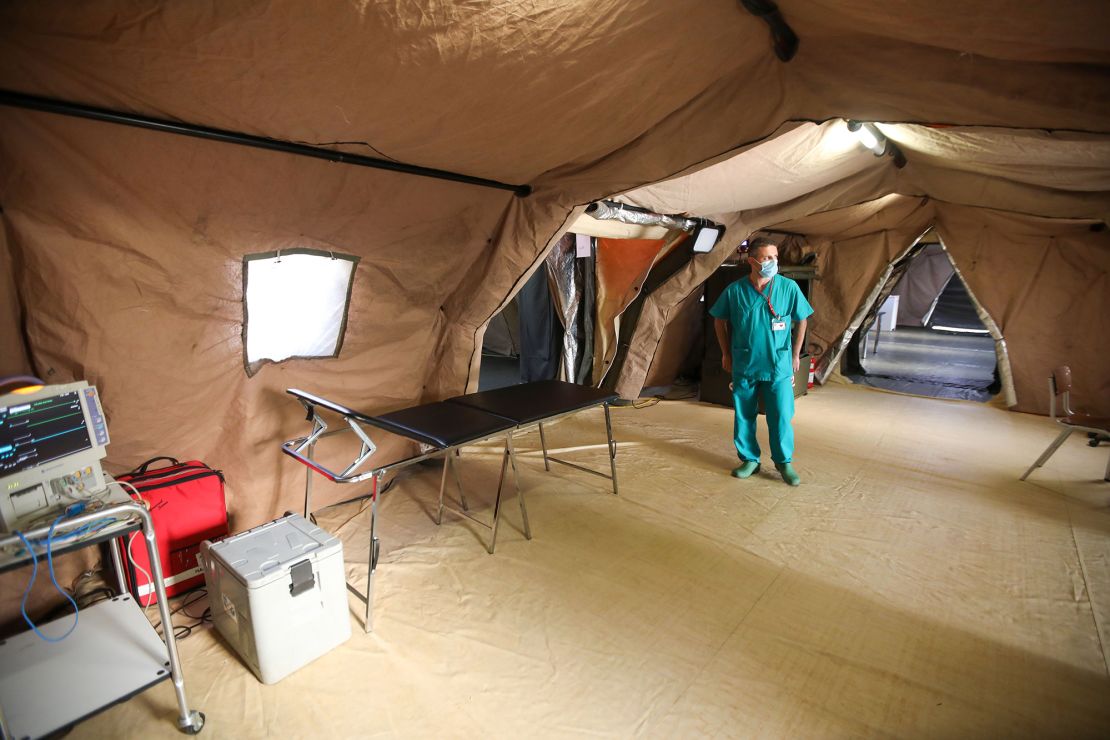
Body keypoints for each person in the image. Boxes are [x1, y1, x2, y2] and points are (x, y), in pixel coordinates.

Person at [709, 237, 813, 486]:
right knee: (744, 414)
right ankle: (750, 460)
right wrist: (726, 353)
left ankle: (783, 462)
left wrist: (795, 354)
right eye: (767, 257)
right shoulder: (735, 291)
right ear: (752, 260)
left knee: (780, 414)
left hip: (779, 364)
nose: (772, 262)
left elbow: (802, 320)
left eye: (775, 257)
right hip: (745, 363)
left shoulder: (788, 288)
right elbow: (719, 320)